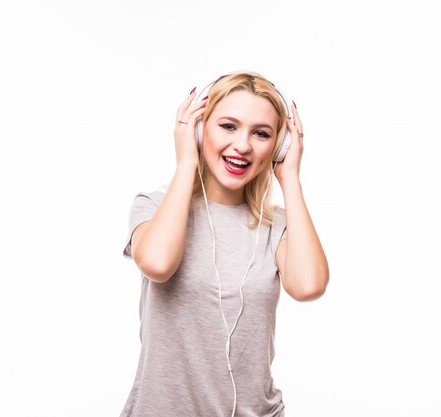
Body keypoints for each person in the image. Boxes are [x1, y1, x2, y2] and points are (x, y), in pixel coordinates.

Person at [120, 71, 329, 417]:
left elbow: (308, 286)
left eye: (261, 133)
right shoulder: (154, 207)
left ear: (279, 146)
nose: (243, 145)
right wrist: (187, 161)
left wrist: (290, 177)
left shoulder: (278, 226)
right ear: (200, 129)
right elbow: (157, 264)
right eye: (228, 126)